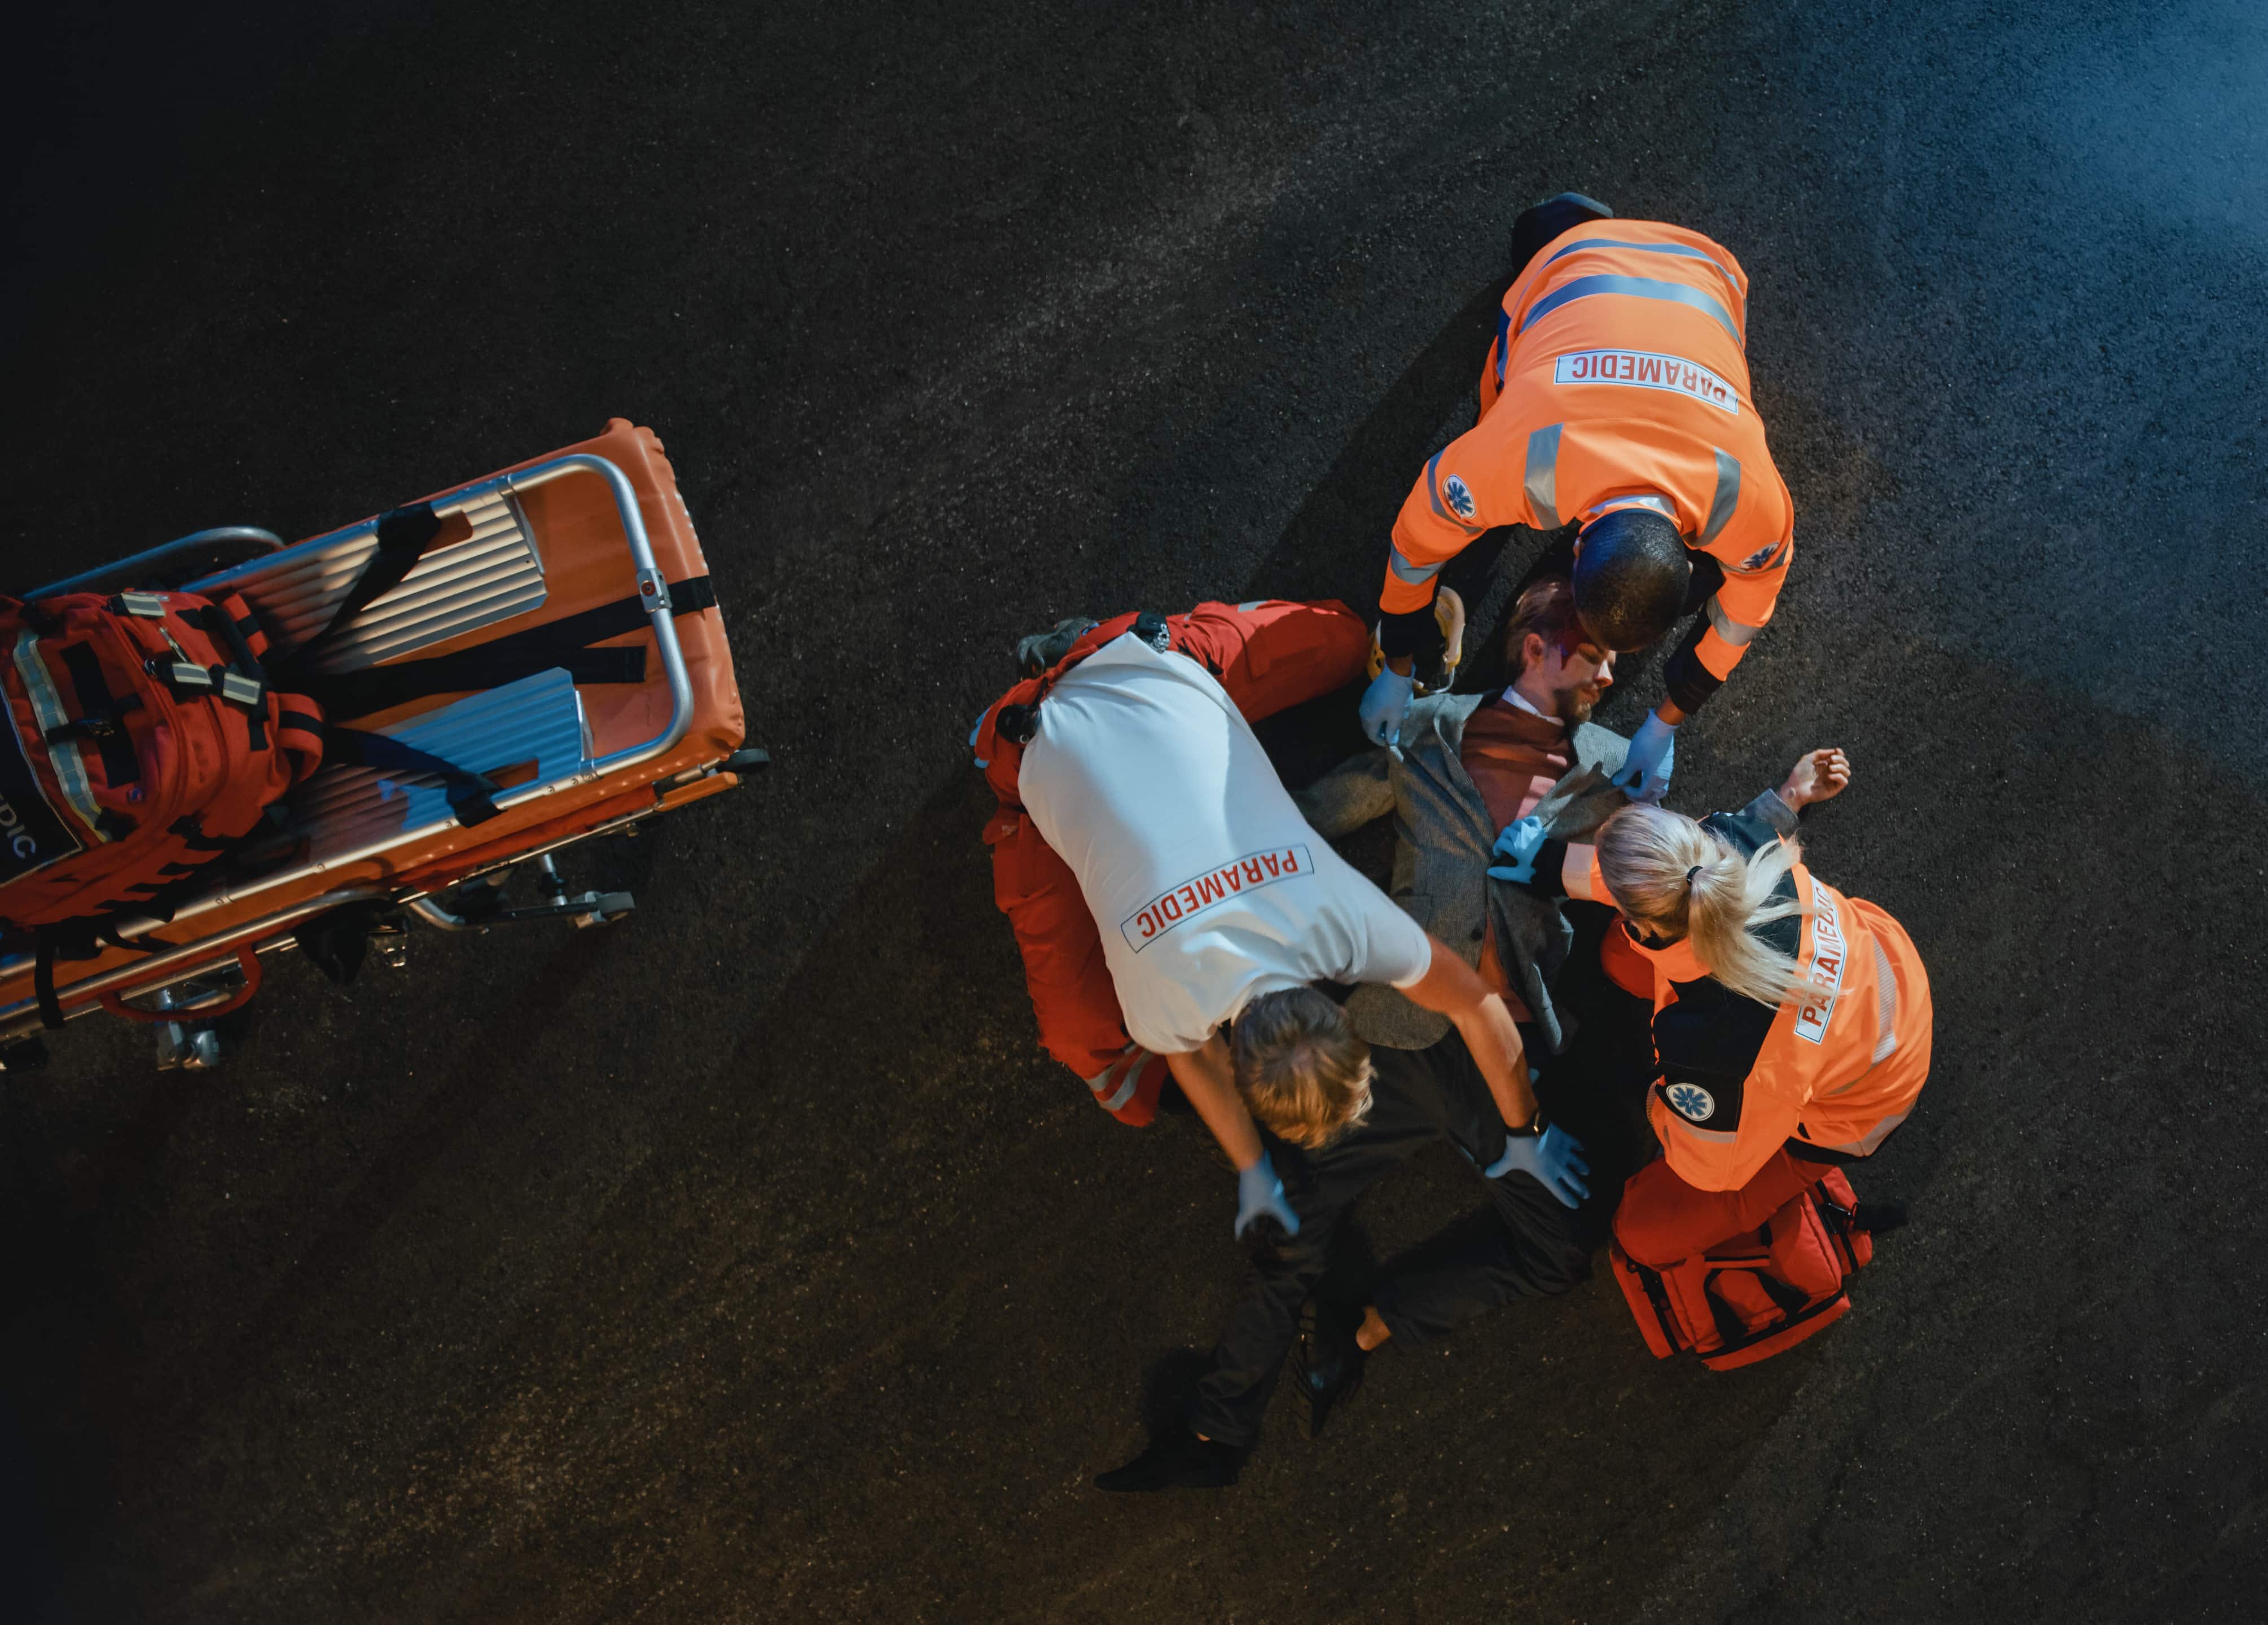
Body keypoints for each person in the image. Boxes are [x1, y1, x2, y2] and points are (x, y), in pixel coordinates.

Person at [970, 601, 1546, 1241]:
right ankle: (1019, 717)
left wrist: (1526, 1135)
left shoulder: (1345, 923)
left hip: (1149, 660)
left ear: (1341, 1015)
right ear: (1235, 1062)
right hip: (1028, 737)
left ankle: (1081, 656)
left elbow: (1477, 1008)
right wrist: (1251, 1170)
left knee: (1346, 642)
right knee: (1083, 1044)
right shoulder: (1166, 1010)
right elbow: (1192, 1064)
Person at [1359, 192, 1796, 808]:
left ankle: (1588, 230)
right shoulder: (1506, 460)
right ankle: (1571, 226)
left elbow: (1739, 623)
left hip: (1706, 273)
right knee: (1518, 319)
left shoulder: (1753, 507)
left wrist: (1663, 724)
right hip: (1617, 266)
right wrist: (1396, 666)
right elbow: (1413, 547)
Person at [1509, 753, 1931, 1272]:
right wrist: (1546, 864)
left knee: (1643, 1232)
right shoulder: (1724, 845)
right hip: (1886, 974)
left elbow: (1711, 1171)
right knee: (1620, 959)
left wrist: (1662, 1101)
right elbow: (1659, 878)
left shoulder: (1716, 1053)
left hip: (1867, 1101)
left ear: (1646, 926)